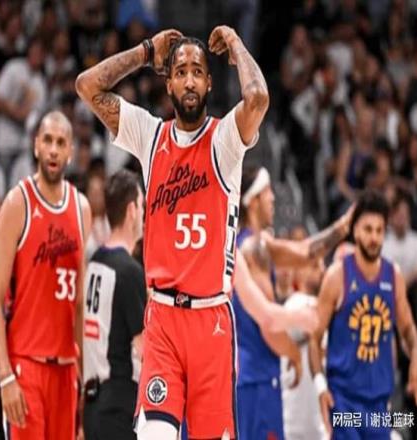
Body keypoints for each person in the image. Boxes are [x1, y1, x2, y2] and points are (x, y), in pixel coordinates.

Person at [76, 26, 317, 440]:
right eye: (180, 71)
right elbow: (87, 86)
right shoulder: (150, 135)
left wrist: (237, 45)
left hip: (211, 322)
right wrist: (145, 52)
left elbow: (258, 98)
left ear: (209, 83)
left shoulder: (225, 139)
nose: (189, 80)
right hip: (163, 320)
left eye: (197, 72)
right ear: (168, 83)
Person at [0, 110, 91, 439]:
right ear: (36, 146)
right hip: (26, 366)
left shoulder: (82, 208)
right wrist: (5, 376)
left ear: (71, 151)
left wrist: (84, 374)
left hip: (66, 369)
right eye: (47, 141)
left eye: (61, 142)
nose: (53, 150)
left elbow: (79, 305)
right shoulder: (18, 202)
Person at [235, 167, 353, 440]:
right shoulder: (253, 249)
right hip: (256, 377)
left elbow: (304, 252)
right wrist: (292, 352)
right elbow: (267, 323)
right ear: (253, 201)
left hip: (248, 375)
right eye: (267, 191)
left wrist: (341, 228)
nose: (273, 198)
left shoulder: (254, 245)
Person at [309, 190, 417, 439]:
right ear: (355, 231)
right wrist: (319, 386)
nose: (374, 237)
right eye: (368, 229)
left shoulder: (394, 276)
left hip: (379, 403)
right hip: (343, 401)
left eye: (379, 230)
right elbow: (314, 337)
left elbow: (406, 328)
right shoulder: (337, 276)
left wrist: (416, 353)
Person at [83, 170, 146, 440]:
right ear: (131, 210)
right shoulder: (129, 271)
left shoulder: (96, 260)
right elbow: (146, 349)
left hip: (92, 403)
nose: (143, 214)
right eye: (142, 206)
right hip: (119, 404)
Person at [282, 258, 328, 440]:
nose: (322, 270)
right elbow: (309, 321)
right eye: (315, 265)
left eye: (323, 265)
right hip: (295, 423)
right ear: (298, 272)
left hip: (321, 421)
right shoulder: (294, 303)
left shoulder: (324, 305)